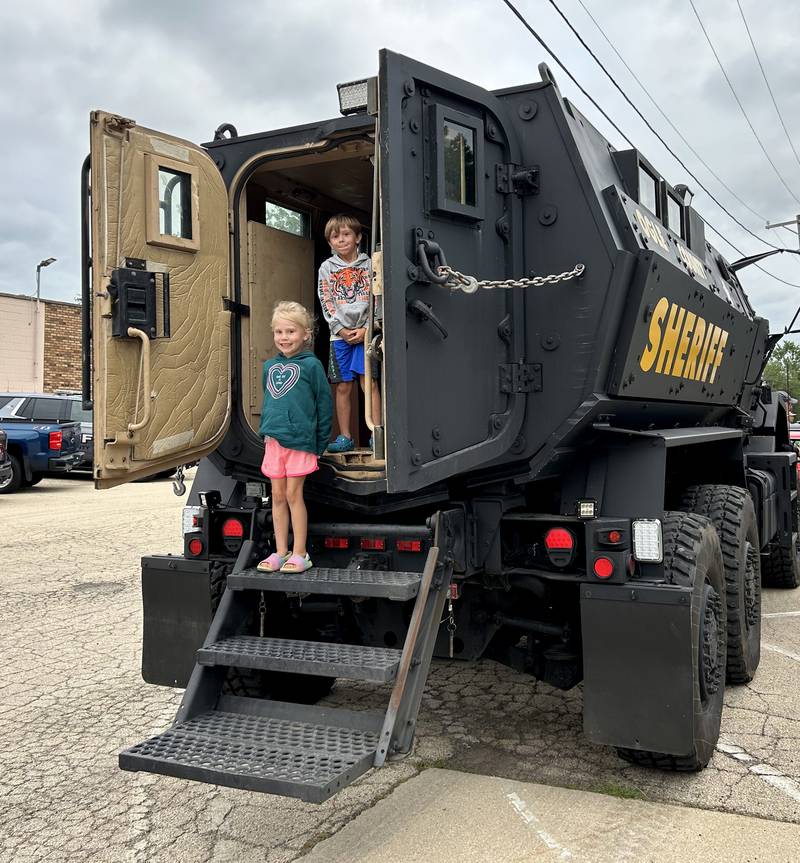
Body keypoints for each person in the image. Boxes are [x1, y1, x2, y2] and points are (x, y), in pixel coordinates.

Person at [256, 301, 332, 573]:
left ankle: (300, 553)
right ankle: (280, 551)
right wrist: (266, 429)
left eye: (290, 332)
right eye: (279, 332)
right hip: (275, 441)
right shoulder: (270, 367)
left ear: (305, 334)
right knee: (276, 495)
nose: (284, 338)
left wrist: (320, 443)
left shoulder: (312, 366)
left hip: (300, 442)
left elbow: (324, 406)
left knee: (292, 494)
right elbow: (271, 403)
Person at [317, 213, 381, 452]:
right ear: (330, 242)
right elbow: (326, 299)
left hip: (366, 332)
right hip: (339, 336)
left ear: (358, 237)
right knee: (343, 386)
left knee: (370, 384)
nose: (341, 240)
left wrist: (368, 328)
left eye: (346, 234)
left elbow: (378, 297)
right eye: (335, 236)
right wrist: (340, 329)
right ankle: (345, 436)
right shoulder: (326, 268)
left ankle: (377, 432)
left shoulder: (369, 264)